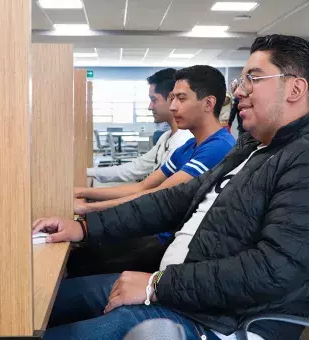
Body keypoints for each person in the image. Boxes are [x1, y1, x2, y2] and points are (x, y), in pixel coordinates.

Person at [35, 34, 309, 340]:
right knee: (40, 298)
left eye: (253, 78)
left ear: (295, 88)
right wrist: (84, 227)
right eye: (241, 79)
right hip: (179, 292)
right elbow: (174, 200)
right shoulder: (251, 148)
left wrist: (156, 285)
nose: (240, 90)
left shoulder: (302, 157)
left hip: (213, 320)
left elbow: (271, 271)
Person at [75, 65, 235, 216]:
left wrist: (87, 208)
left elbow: (158, 195)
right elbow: (142, 186)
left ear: (208, 104)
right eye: (173, 99)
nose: (173, 107)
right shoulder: (189, 145)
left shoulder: (218, 147)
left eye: (181, 98)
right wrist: (82, 193)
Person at [87, 68, 192, 183]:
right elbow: (135, 168)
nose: (150, 106)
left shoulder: (184, 142)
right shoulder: (166, 137)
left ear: (172, 98)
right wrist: (90, 172)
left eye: (153, 100)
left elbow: (161, 192)